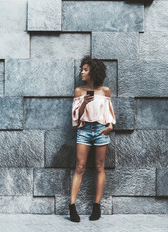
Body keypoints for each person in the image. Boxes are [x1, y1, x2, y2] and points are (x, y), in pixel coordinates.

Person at [69, 56, 116, 222]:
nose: (82, 72)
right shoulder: (79, 91)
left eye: (85, 69)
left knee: (99, 166)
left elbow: (108, 112)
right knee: (80, 166)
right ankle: (72, 206)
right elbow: (76, 118)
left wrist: (110, 126)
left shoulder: (105, 91)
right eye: (82, 69)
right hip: (84, 129)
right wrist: (83, 104)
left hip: (100, 130)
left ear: (94, 72)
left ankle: (97, 206)